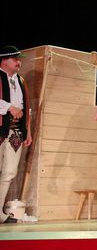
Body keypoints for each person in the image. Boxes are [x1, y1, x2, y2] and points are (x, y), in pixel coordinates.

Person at [0, 46, 32, 224]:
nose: (19, 62)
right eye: (15, 59)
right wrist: (8, 107)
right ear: (4, 60)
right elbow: (11, 106)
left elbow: (26, 108)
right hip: (0, 130)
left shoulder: (20, 80)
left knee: (9, 172)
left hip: (16, 133)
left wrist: (27, 130)